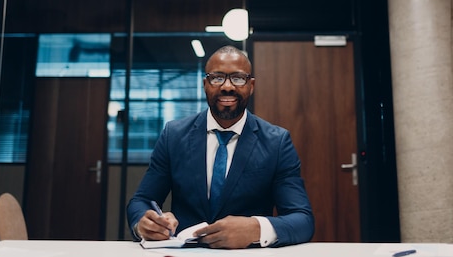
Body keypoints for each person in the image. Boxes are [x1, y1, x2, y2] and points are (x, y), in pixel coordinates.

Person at [127, 45, 314, 249]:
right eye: (217, 78)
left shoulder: (277, 142)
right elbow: (141, 201)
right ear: (205, 84)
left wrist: (256, 228)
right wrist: (144, 225)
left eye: (238, 78)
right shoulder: (174, 135)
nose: (227, 86)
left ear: (251, 85)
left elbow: (302, 220)